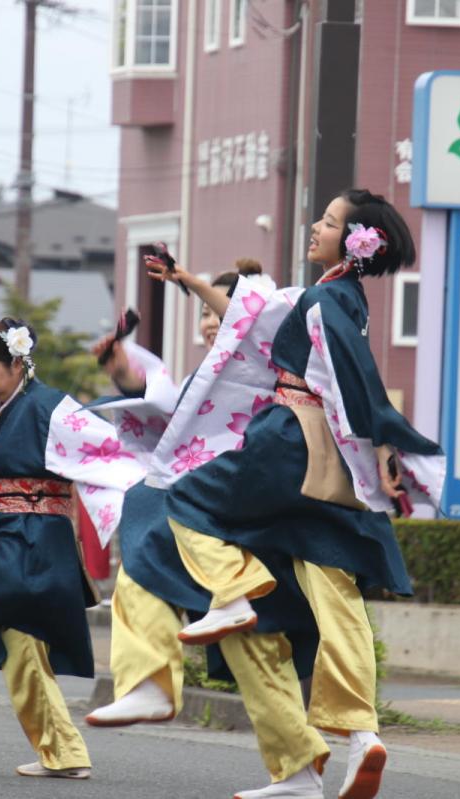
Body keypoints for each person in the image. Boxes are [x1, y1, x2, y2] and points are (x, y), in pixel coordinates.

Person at [155, 189, 445, 799]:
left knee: (183, 500)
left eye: (331, 222)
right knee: (332, 594)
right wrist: (186, 278)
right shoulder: (345, 296)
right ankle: (351, 742)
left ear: (356, 241)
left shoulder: (325, 299)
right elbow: (250, 313)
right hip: (329, 462)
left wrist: (391, 437)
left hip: (288, 442)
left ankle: (231, 590)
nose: (317, 226)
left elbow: (350, 375)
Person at [85, 261, 321, 748]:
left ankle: (151, 679)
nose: (211, 321)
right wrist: (127, 375)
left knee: (145, 545)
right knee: (251, 647)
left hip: (232, 517)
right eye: (204, 313)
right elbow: (165, 416)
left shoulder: (272, 368)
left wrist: (192, 281)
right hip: (212, 520)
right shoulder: (211, 377)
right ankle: (299, 763)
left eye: (221, 310)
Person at [0, 317, 143, 781]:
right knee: (20, 646)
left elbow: (115, 450)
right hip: (7, 529)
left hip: (35, 537)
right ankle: (65, 753)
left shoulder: (51, 408)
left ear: (17, 363)